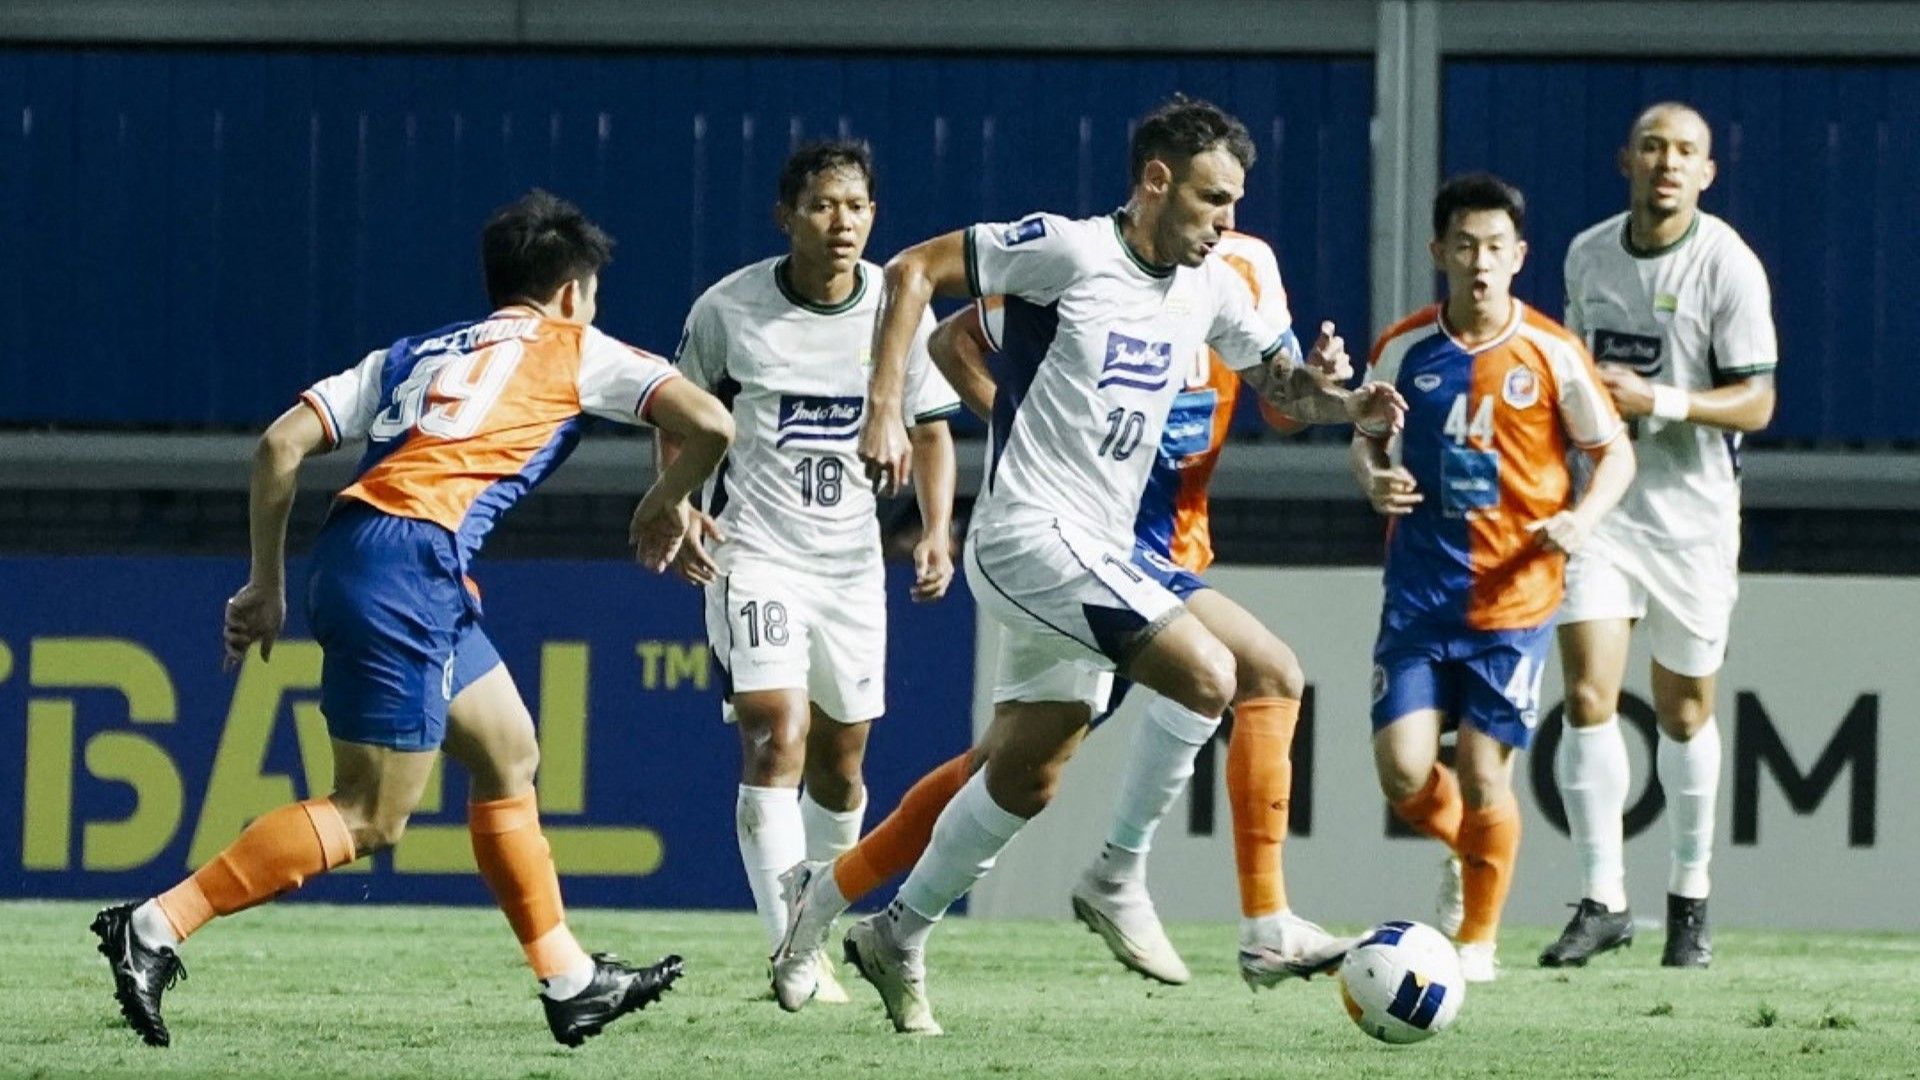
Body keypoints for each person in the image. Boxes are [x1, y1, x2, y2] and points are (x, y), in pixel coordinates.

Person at [780, 95, 1403, 1035]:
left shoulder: (1209, 284)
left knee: (1025, 773)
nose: (1226, 222)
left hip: (1103, 552)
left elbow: (1282, 386)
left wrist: (1347, 405)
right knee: (1210, 673)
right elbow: (912, 272)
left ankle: (861, 920)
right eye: (1212, 200)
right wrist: (881, 407)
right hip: (1029, 534)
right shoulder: (1067, 251)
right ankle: (1118, 874)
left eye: (1233, 203)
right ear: (1155, 181)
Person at [89, 190, 734, 1048]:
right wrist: (665, 502)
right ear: (574, 292)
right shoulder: (578, 347)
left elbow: (280, 445)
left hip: (362, 550)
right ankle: (157, 925)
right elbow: (712, 425)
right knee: (371, 814)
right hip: (413, 565)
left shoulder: (409, 355)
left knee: (510, 751)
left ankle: (570, 980)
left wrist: (265, 583)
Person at [661, 141, 960, 1002]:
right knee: (774, 730)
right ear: (785, 214)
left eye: (858, 207)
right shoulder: (729, 309)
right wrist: (678, 503)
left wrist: (935, 531)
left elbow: (933, 428)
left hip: (851, 565)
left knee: (843, 762)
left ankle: (819, 925)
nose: (843, 223)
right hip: (755, 552)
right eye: (825, 205)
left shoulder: (895, 313)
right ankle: (789, 948)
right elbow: (675, 414)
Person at [1354, 172, 1634, 983]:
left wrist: (1583, 519)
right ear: (1439, 252)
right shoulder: (1403, 349)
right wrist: (1373, 477)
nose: (1481, 263)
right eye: (1465, 246)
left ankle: (1475, 944)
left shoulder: (1550, 351)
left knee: (1483, 772)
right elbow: (1369, 440)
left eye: (1496, 248)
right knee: (1404, 772)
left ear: (1519, 257)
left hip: (1515, 599)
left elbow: (1613, 451)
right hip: (1419, 593)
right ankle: (1466, 849)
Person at [1540, 103, 1777, 971]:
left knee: (1683, 714)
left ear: (1707, 172)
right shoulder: (1588, 252)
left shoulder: (1729, 266)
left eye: (1685, 152)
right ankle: (1603, 899)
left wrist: (1660, 401)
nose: (1667, 164)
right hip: (1606, 507)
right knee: (1589, 698)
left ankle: (1690, 898)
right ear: (1626, 160)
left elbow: (1757, 402)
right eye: (1652, 147)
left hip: (1693, 520)